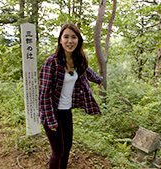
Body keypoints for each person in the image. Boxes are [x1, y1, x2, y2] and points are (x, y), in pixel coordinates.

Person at [38, 23, 103, 169]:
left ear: (78, 40)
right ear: (60, 40)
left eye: (74, 37)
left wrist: (98, 80)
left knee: (67, 147)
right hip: (52, 112)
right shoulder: (52, 62)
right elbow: (44, 94)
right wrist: (51, 120)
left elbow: (86, 71)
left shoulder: (77, 60)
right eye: (66, 37)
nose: (70, 41)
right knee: (58, 151)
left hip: (66, 111)